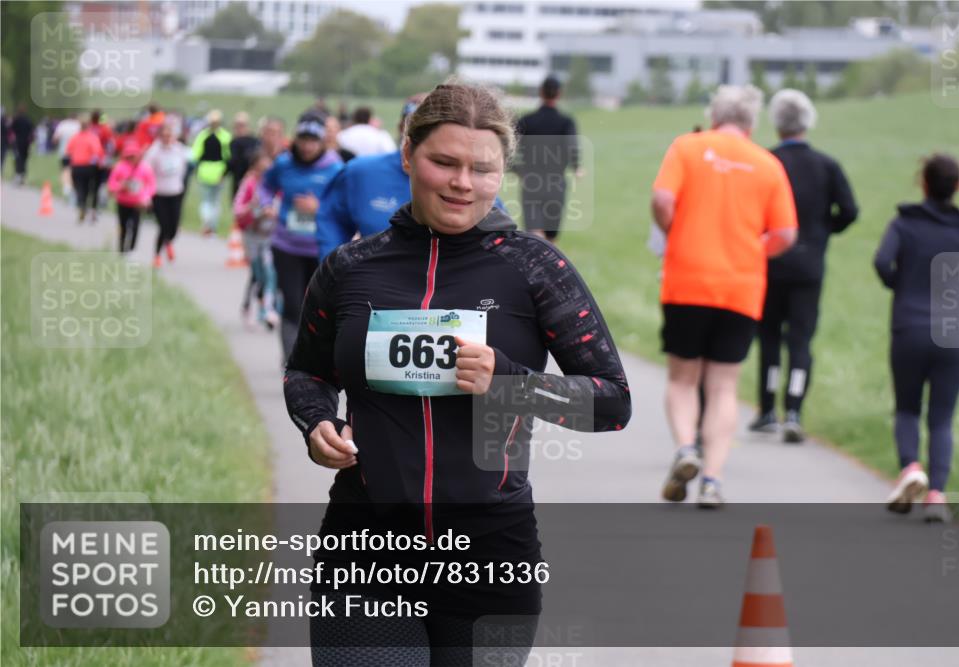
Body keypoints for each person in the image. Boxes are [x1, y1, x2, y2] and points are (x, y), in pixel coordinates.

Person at [283, 81, 631, 667]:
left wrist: (511, 382)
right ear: (407, 155)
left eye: (482, 169)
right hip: (365, 548)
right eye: (443, 162)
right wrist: (317, 421)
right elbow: (306, 373)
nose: (462, 183)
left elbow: (611, 403)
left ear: (503, 174)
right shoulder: (350, 268)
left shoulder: (534, 267)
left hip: (490, 554)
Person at [651, 84, 798, 508]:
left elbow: (662, 197)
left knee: (682, 379)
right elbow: (786, 233)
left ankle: (685, 449)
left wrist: (673, 230)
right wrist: (756, 251)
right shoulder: (768, 164)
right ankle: (713, 479)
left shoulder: (688, 147)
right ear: (752, 123)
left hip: (687, 279)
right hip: (741, 286)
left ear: (714, 115)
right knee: (723, 387)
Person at [874, 154, 959, 522]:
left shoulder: (904, 223)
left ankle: (911, 468)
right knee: (942, 419)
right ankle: (938, 496)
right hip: (954, 335)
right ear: (958, 186)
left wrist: (902, 286)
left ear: (922, 183)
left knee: (908, 408)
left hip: (909, 328)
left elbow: (882, 261)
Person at [749, 89, 859, 443]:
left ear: (776, 122)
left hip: (770, 261)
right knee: (800, 339)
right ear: (808, 122)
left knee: (768, 338)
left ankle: (766, 409)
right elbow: (850, 211)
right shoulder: (827, 166)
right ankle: (794, 409)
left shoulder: (766, 161)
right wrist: (825, 229)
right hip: (809, 265)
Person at [260, 111, 343, 359]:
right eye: (303, 139)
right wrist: (267, 204)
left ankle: (313, 357)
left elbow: (343, 204)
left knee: (317, 307)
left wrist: (319, 208)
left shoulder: (335, 167)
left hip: (320, 248)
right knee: (293, 304)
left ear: (321, 141)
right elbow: (265, 185)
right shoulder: (284, 163)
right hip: (287, 245)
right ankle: (292, 360)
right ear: (295, 138)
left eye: (312, 140)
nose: (307, 146)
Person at [315, 95, 426, 259]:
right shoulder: (361, 171)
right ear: (401, 127)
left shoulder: (460, 181)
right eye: (414, 126)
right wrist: (334, 265)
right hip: (373, 279)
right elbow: (332, 217)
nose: (422, 136)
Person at [514, 75, 581, 242]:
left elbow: (508, 148)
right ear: (559, 94)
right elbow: (572, 147)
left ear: (541, 92)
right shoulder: (565, 122)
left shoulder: (526, 121)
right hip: (556, 182)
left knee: (534, 231)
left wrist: (516, 169)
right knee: (551, 236)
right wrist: (576, 167)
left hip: (531, 181)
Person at [234, 150, 279, 329]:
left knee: (270, 273)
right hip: (252, 235)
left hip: (270, 237)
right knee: (257, 275)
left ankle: (268, 310)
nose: (264, 174)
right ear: (254, 169)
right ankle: (248, 307)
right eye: (261, 170)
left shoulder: (277, 186)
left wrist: (275, 212)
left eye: (268, 170)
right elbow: (237, 209)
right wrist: (254, 208)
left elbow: (283, 207)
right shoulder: (249, 184)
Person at [144, 120, 188, 267]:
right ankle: (157, 255)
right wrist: (147, 195)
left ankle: (169, 241)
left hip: (175, 192)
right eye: (165, 135)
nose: (168, 138)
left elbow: (183, 169)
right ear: (160, 136)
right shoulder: (154, 152)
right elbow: (147, 173)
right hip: (159, 194)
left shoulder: (179, 150)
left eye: (170, 135)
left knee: (174, 226)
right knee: (163, 225)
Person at [107, 141, 156, 253]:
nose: (131, 159)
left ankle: (132, 246)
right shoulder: (119, 167)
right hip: (123, 201)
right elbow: (111, 184)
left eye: (133, 156)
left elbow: (151, 185)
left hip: (137, 203)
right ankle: (121, 248)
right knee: (123, 226)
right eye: (129, 156)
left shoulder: (145, 168)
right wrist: (120, 186)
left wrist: (146, 197)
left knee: (135, 226)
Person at [190, 109, 232, 236]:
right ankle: (212, 227)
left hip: (204, 171)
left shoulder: (203, 135)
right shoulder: (225, 136)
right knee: (215, 201)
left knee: (206, 201)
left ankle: (206, 223)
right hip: (219, 171)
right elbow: (228, 156)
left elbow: (195, 155)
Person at [66, 116, 105, 223]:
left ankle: (81, 205)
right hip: (89, 166)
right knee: (88, 188)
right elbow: (98, 152)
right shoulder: (92, 137)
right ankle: (86, 206)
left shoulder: (75, 137)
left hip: (76, 166)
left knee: (79, 188)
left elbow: (68, 151)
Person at [228, 111, 260, 201]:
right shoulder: (255, 141)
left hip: (249, 178)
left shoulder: (236, 142)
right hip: (241, 177)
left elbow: (233, 160)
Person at [53, 113, 82, 197]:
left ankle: (66, 187)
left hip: (64, 151)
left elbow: (55, 138)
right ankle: (72, 187)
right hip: (76, 153)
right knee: (73, 170)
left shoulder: (63, 124)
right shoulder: (78, 125)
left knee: (65, 169)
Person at [11, 105, 35, 186]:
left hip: (18, 142)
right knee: (24, 159)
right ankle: (23, 176)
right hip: (26, 143)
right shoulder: (28, 120)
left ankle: (18, 174)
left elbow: (12, 130)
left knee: (18, 159)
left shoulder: (16, 120)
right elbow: (31, 131)